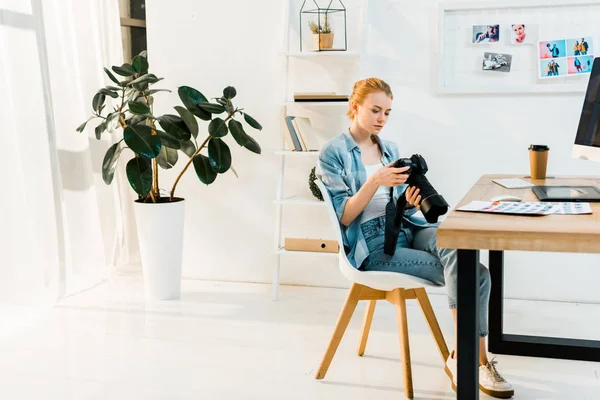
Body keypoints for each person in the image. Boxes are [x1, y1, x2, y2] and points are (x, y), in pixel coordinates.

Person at [316, 77, 515, 399]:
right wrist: (376, 180)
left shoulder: (390, 149)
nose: (381, 118)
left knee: (460, 247)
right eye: (375, 110)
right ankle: (471, 361)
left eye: (387, 112)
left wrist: (406, 199)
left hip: (405, 227)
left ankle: (463, 358)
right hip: (372, 246)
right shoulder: (334, 152)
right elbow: (345, 216)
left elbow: (395, 204)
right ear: (355, 108)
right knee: (475, 275)